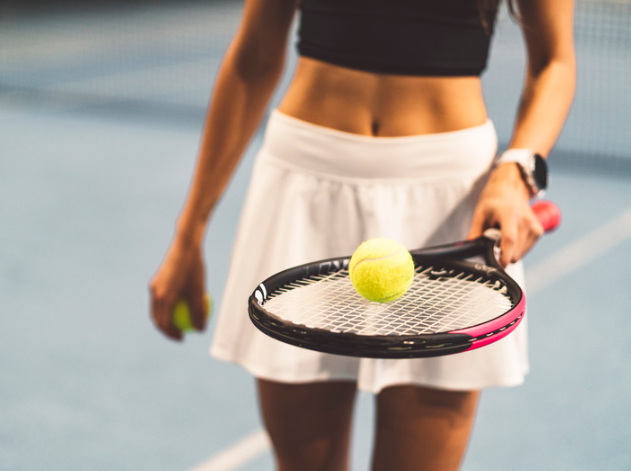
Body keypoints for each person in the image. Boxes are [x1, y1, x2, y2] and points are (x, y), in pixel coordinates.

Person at [149, 0, 576, 469]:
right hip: (303, 187)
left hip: (450, 198)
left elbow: (554, 61)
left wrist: (518, 169)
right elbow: (253, 57)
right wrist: (189, 232)